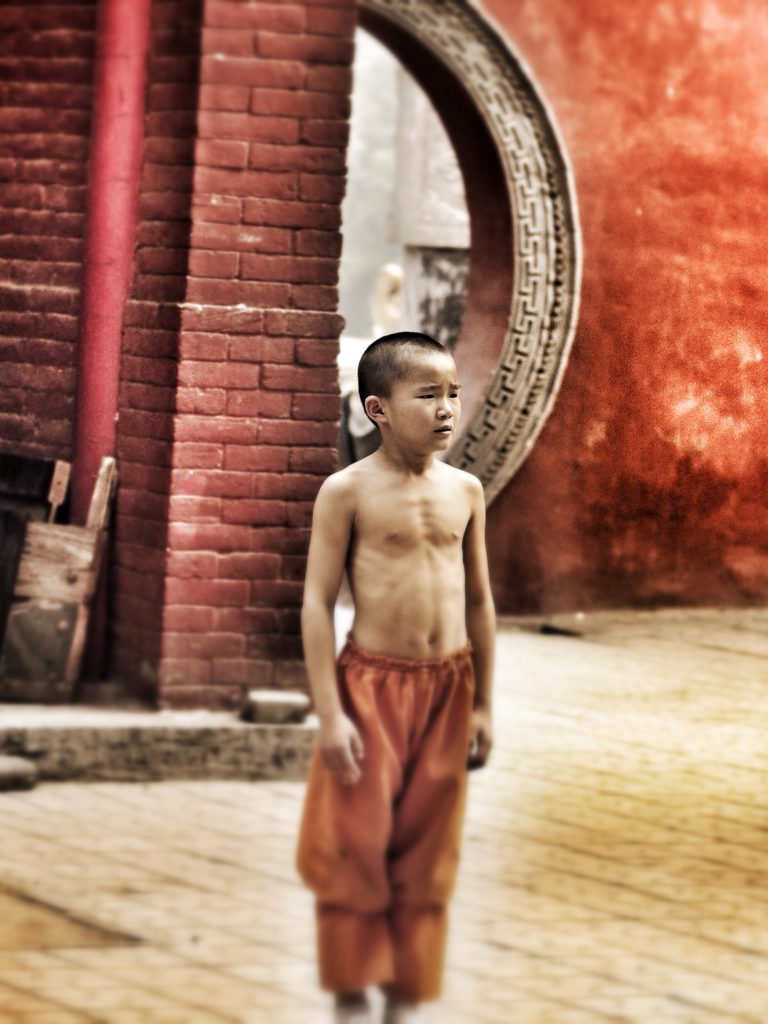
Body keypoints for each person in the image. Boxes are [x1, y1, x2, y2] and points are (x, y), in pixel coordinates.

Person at [296, 331, 495, 1023]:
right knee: (355, 844)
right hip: (370, 686)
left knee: (428, 852)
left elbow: (479, 602)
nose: (447, 409)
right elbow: (318, 604)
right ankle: (351, 995)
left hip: (449, 686)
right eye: (428, 396)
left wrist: (483, 707)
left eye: (453, 395)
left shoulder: (465, 491)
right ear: (377, 409)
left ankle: (403, 1000)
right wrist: (330, 712)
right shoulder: (345, 492)